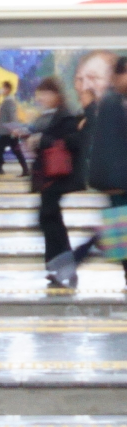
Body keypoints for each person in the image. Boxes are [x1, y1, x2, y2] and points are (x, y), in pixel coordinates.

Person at [49, 54, 127, 290]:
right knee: (117, 231)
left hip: (117, 178)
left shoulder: (114, 101)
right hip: (119, 179)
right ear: (119, 75)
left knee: (116, 231)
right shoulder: (114, 102)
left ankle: (69, 262)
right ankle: (70, 262)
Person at [28, 76, 84, 274]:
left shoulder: (66, 116)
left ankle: (59, 261)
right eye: (40, 93)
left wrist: (43, 140)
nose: (42, 97)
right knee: (50, 219)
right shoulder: (49, 115)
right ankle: (60, 261)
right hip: (47, 174)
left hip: (57, 175)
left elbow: (71, 142)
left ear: (56, 94)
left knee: (48, 218)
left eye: (45, 93)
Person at [0, 82, 29, 175]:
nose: (1, 90)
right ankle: (25, 169)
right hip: (7, 130)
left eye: (3, 88)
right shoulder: (6, 100)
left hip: (8, 131)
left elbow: (12, 116)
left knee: (5, 149)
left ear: (8, 89)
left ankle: (0, 168)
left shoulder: (9, 101)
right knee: (14, 150)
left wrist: (14, 129)